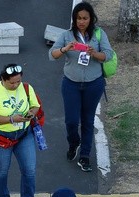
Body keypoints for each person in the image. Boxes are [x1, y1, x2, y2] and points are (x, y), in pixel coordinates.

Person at [48, 1, 114, 173]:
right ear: (74, 19)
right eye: (78, 18)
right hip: (71, 84)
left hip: (94, 84)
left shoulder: (99, 34)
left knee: (87, 121)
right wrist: (65, 48)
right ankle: (73, 142)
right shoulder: (67, 35)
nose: (81, 22)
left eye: (85, 18)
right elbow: (52, 55)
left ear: (91, 19)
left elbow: (108, 55)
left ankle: (85, 156)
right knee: (71, 121)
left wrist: (94, 53)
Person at [0, 63, 41, 197]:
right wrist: (10, 119)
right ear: (3, 79)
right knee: (2, 171)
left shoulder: (27, 87)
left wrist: (31, 114)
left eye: (18, 81)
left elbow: (35, 106)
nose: (16, 85)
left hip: (24, 134)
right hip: (2, 138)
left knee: (29, 170)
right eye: (12, 82)